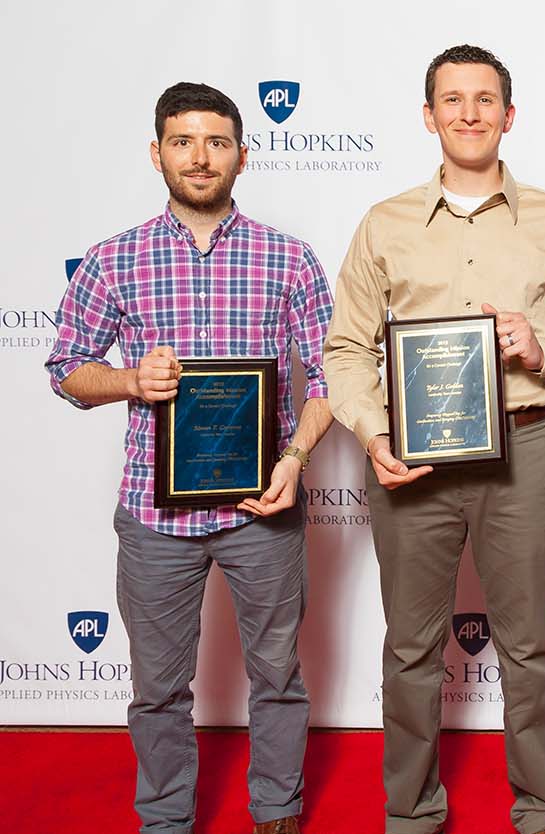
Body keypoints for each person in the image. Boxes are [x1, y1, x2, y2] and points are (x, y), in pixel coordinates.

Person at [45, 82, 333, 834]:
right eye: (182, 141)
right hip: (153, 512)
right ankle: (166, 819)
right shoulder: (114, 259)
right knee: (159, 687)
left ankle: (276, 809)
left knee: (277, 675)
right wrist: (130, 379)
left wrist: (295, 460)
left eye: (216, 142)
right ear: (157, 153)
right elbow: (68, 368)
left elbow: (337, 376)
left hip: (261, 509)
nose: (199, 157)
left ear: (244, 154)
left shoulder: (290, 258)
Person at [323, 44, 545, 834]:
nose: (469, 113)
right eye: (452, 99)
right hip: (413, 462)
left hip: (527, 446)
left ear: (509, 117)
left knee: (532, 647)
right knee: (410, 649)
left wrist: (544, 350)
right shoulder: (383, 224)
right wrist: (375, 435)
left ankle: (543, 808)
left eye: (484, 100)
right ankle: (410, 812)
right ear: (428, 115)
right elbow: (346, 350)